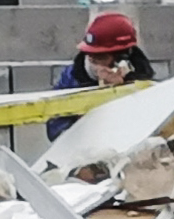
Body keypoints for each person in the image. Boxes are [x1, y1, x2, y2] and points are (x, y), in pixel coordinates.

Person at [45, 10, 157, 140]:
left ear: (122, 59)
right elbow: (55, 129)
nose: (93, 63)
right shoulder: (71, 78)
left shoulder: (144, 85)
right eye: (91, 56)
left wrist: (120, 93)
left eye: (100, 57)